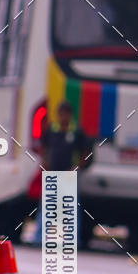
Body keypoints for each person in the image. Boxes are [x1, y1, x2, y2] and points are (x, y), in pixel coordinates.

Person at [33, 101, 93, 247]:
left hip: (68, 175)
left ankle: (72, 239)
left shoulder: (76, 131)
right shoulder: (52, 130)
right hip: (53, 173)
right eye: (61, 113)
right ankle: (39, 237)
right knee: (47, 205)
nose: (63, 117)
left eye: (66, 114)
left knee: (70, 208)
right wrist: (45, 163)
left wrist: (76, 168)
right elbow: (44, 147)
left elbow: (86, 152)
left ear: (70, 115)